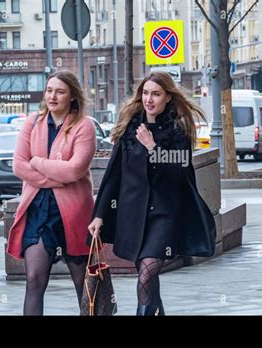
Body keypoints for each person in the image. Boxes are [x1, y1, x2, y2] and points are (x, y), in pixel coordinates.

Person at [87, 71, 216, 316]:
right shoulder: (129, 130)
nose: (149, 99)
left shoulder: (178, 133)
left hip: (165, 214)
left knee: (147, 272)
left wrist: (152, 147)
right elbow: (114, 176)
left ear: (168, 97)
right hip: (133, 215)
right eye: (145, 93)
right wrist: (99, 215)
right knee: (147, 278)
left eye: (156, 94)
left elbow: (179, 175)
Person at [7, 70, 96, 315]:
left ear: (72, 97)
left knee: (83, 283)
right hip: (37, 211)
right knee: (34, 280)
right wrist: (56, 179)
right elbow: (18, 166)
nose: (52, 96)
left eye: (60, 91)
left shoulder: (83, 126)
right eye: (49, 90)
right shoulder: (32, 122)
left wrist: (37, 162)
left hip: (74, 214)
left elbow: (75, 169)